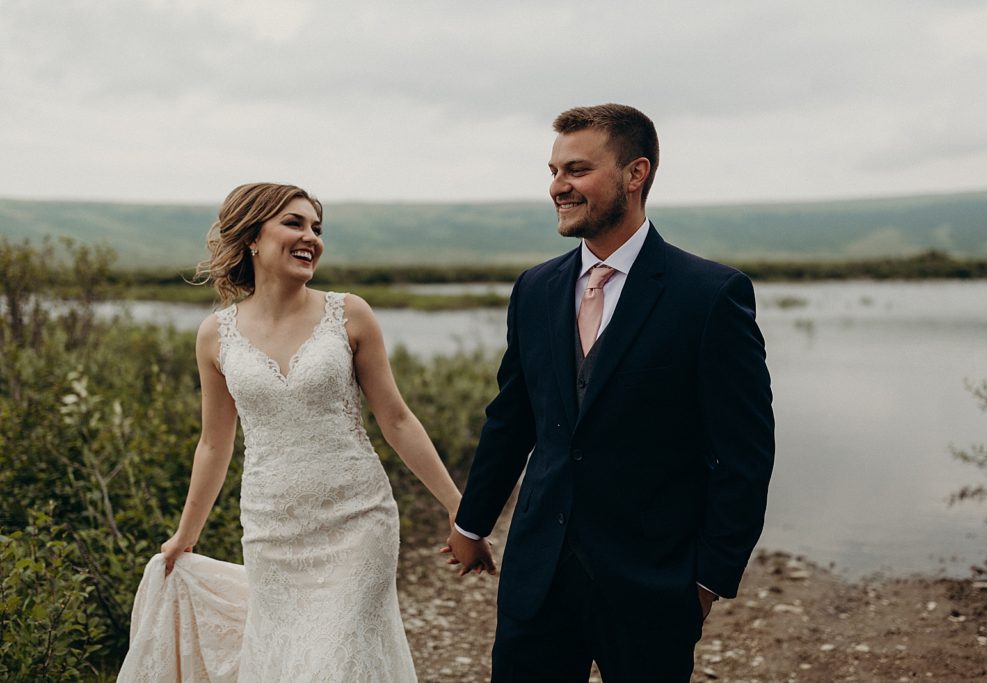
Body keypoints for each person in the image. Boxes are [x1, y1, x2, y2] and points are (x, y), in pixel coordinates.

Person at [444, 104, 775, 681]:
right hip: (538, 576)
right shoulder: (536, 288)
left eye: (576, 170)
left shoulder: (710, 295)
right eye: (553, 171)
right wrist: (472, 523)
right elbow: (512, 417)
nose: (557, 187)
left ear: (635, 173)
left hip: (654, 579)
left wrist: (707, 579)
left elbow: (744, 452)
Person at [119, 182, 461, 681]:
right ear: (253, 238)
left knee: (338, 662)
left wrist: (459, 507)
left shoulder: (350, 313)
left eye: (317, 228)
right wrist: (185, 535)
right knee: (288, 664)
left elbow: (397, 419)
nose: (311, 238)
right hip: (271, 530)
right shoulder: (216, 334)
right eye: (294, 223)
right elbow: (214, 443)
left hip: (358, 520)